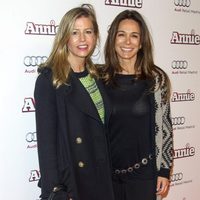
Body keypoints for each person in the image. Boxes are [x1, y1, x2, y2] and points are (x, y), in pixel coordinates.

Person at [34, 4, 115, 200]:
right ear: (65, 37)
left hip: (103, 179)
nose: (82, 39)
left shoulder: (98, 77)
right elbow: (46, 145)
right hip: (73, 184)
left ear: (95, 36)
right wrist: (56, 190)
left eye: (88, 31)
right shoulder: (50, 79)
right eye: (75, 32)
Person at [102, 10, 173, 200]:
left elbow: (165, 127)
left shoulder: (156, 80)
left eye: (134, 36)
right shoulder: (99, 79)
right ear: (113, 39)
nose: (127, 42)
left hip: (144, 177)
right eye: (121, 35)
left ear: (141, 43)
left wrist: (164, 170)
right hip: (107, 178)